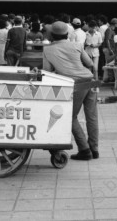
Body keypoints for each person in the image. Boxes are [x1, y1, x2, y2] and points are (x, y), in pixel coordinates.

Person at [43, 21, 98, 161]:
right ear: (67, 34)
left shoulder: (48, 49)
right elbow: (90, 64)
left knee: (70, 117)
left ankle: (84, 150)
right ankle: (94, 149)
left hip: (74, 84)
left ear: (51, 35)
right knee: (91, 116)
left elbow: (47, 71)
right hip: (89, 80)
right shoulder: (77, 45)